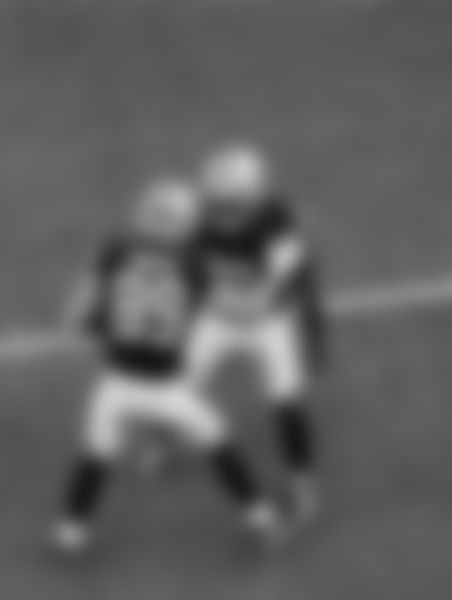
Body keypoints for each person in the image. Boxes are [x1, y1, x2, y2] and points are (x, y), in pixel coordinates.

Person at [52, 178, 286, 555]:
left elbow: (74, 316)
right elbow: (243, 312)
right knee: (217, 439)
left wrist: (100, 327)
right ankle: (261, 518)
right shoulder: (194, 267)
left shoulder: (115, 250)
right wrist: (274, 284)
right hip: (166, 387)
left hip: (115, 382)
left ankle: (70, 531)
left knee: (96, 452)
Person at [188, 143, 327, 523]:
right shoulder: (199, 218)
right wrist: (217, 302)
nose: (224, 212)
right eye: (219, 203)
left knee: (287, 401)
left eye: (231, 204)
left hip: (267, 322)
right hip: (218, 316)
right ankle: (158, 437)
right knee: (177, 383)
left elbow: (285, 287)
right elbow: (190, 271)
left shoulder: (276, 222)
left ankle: (302, 481)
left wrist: (312, 333)